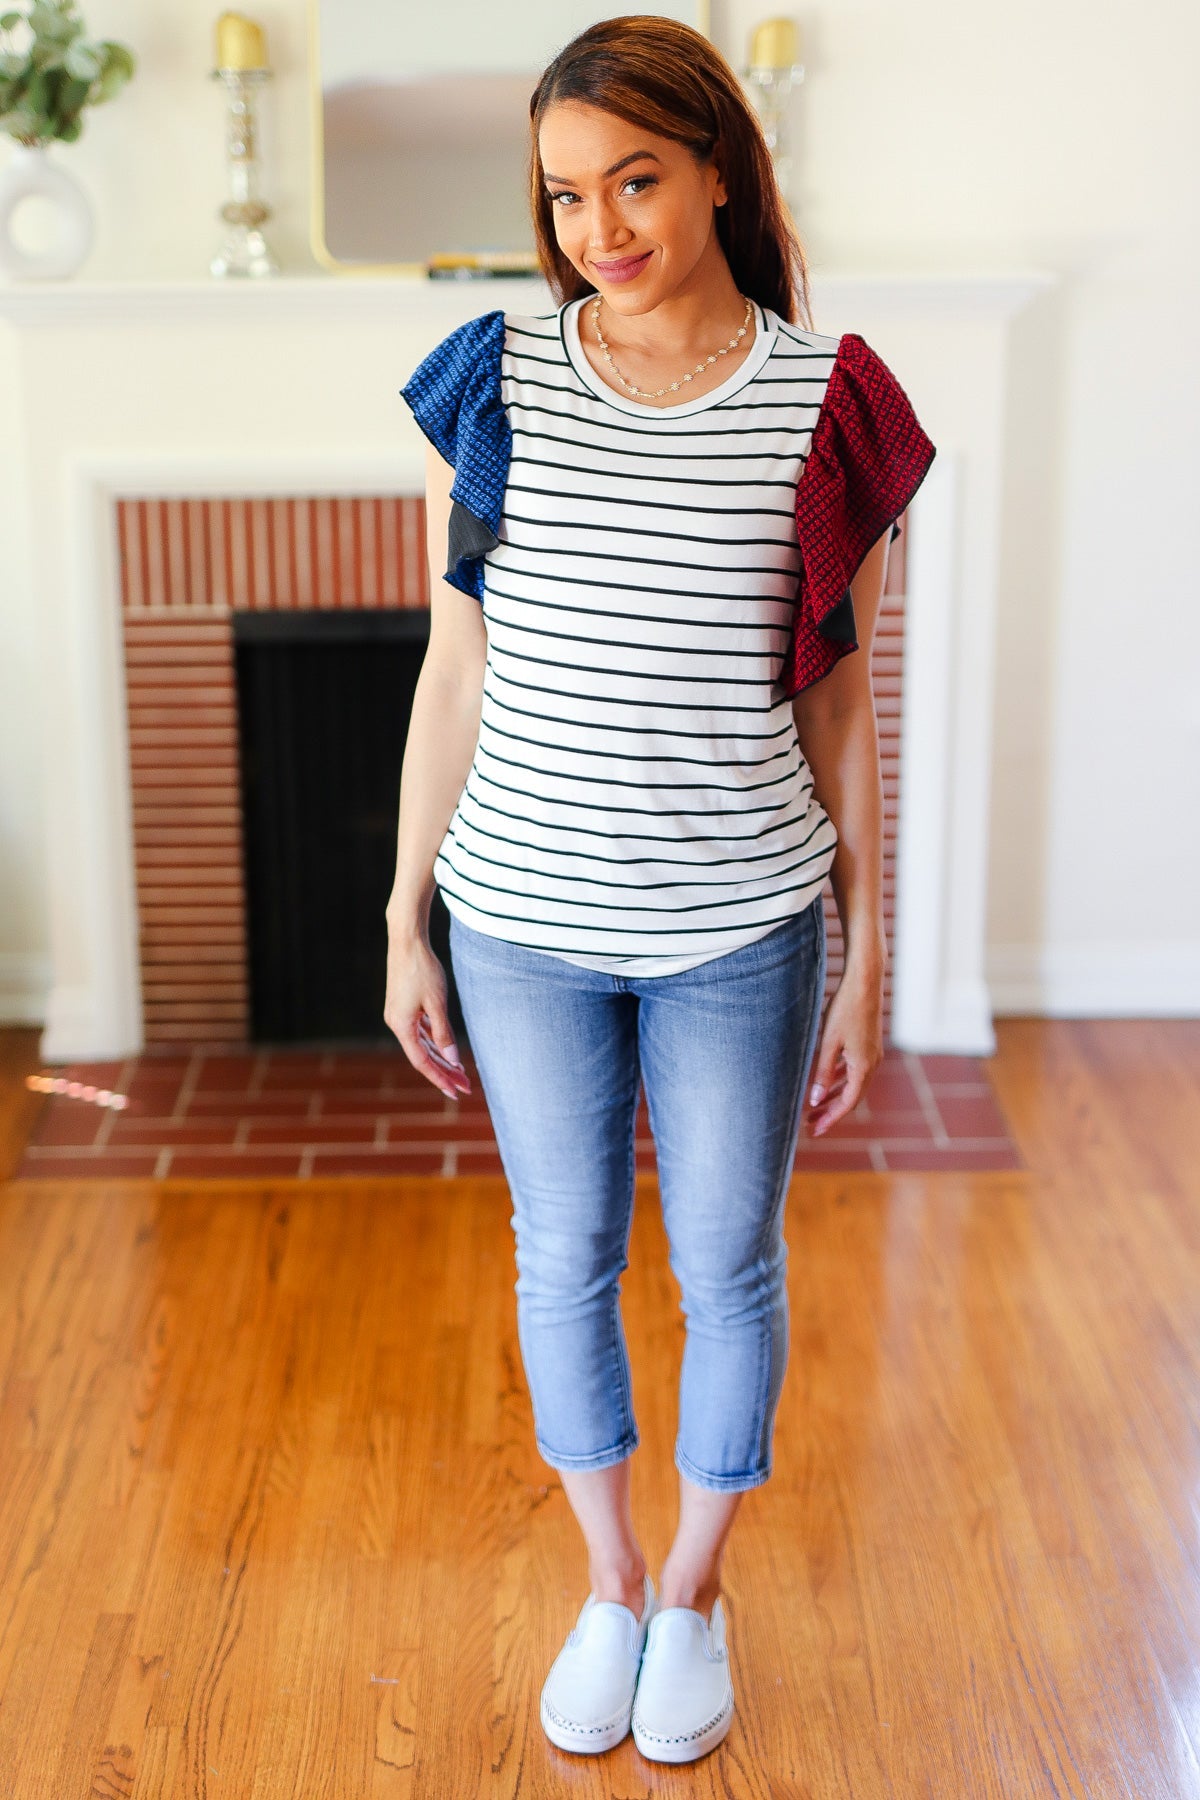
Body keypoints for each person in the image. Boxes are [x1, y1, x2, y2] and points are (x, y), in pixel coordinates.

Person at [384, 13, 936, 1767]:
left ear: (716, 169)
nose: (601, 226)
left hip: (738, 929)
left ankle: (696, 1591)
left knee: (727, 1261)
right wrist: (406, 914)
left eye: (636, 178)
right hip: (520, 919)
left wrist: (865, 949)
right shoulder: (494, 379)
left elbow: (838, 697)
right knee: (564, 1254)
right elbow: (452, 672)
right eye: (565, 194)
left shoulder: (827, 401)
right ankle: (610, 1583)